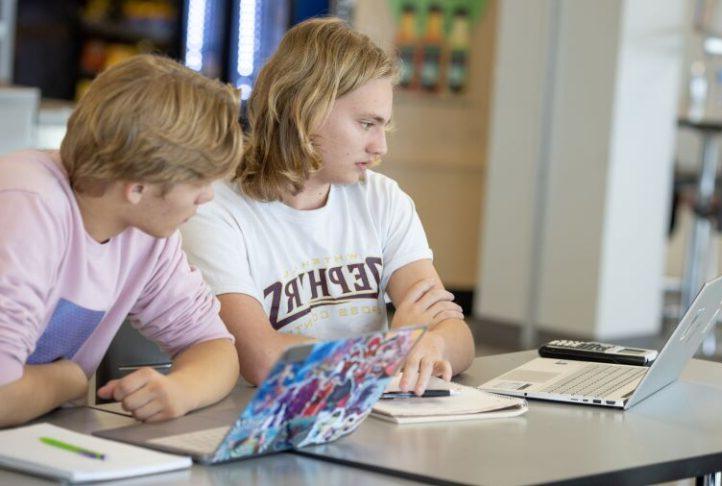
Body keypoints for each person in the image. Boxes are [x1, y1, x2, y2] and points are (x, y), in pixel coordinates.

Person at [180, 18, 475, 395]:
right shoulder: (213, 208)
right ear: (305, 112)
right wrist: (393, 348)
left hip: (361, 415)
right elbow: (262, 359)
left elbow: (458, 338)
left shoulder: (383, 200)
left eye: (383, 127)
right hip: (253, 422)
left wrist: (430, 344)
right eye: (366, 124)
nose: (380, 147)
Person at [0, 55, 243, 427]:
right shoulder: (28, 204)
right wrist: (68, 381)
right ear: (138, 187)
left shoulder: (148, 232)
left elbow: (215, 347)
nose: (207, 197)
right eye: (198, 182)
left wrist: (180, 390)